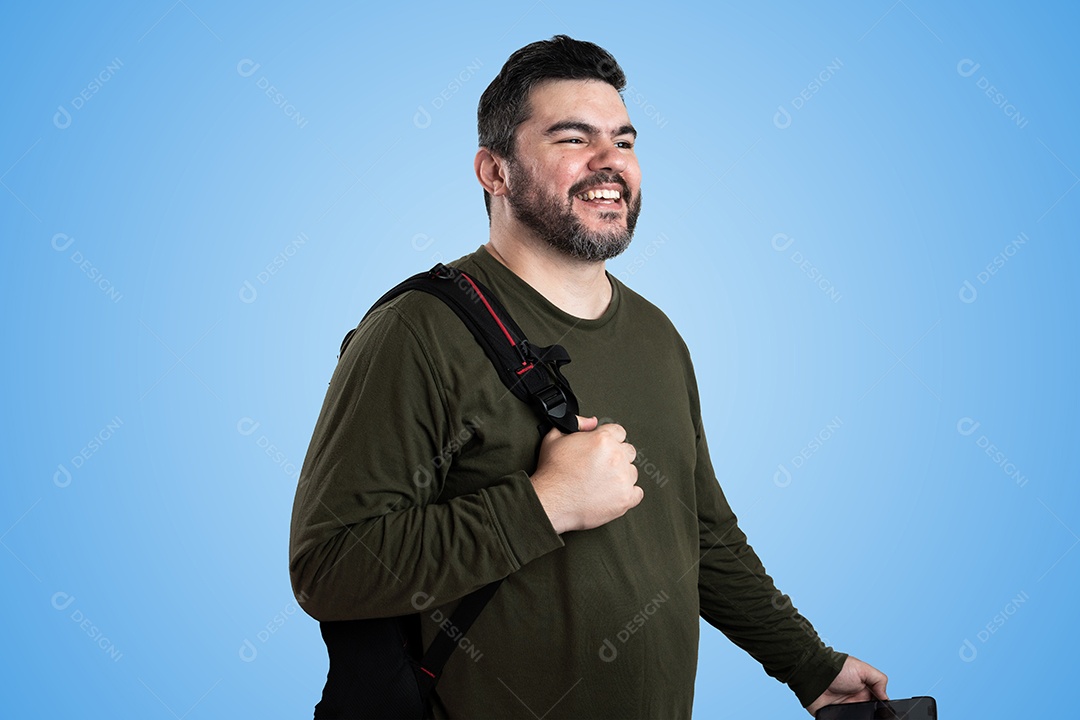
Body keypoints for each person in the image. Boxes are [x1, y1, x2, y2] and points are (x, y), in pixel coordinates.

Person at [290, 34, 888, 718]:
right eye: (573, 138)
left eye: (625, 141)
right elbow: (329, 566)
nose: (610, 163)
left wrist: (806, 664)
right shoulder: (415, 333)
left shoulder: (658, 336)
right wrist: (545, 504)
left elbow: (700, 531)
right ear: (495, 171)